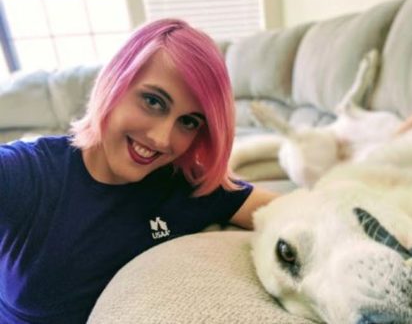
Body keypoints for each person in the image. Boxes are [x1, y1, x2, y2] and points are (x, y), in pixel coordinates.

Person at [0, 19, 278, 323]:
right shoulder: (28, 172)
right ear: (115, 84)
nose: (162, 139)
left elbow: (292, 213)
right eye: (153, 101)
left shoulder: (187, 187)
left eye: (188, 122)